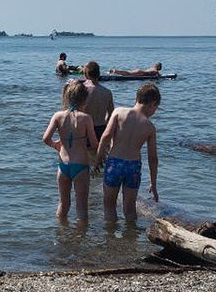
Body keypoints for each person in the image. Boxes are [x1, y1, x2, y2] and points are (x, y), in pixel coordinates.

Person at [95, 83, 161, 223]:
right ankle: (131, 238)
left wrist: (98, 157)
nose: (155, 112)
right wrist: (153, 183)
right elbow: (153, 158)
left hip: (114, 163)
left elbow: (106, 137)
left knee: (109, 205)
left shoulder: (119, 112)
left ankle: (110, 237)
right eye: (156, 108)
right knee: (130, 208)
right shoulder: (150, 127)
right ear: (152, 104)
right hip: (133, 167)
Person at [42, 80, 100, 221]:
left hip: (63, 167)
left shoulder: (58, 116)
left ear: (67, 97)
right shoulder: (86, 118)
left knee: (63, 204)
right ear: (85, 99)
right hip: (80, 166)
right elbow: (94, 144)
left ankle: (62, 233)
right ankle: (80, 238)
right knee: (81, 207)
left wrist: (57, 145)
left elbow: (45, 138)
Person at [80, 61, 114, 140]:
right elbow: (111, 114)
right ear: (98, 74)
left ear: (86, 74)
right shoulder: (107, 92)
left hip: (84, 127)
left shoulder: (82, 90)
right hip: (101, 127)